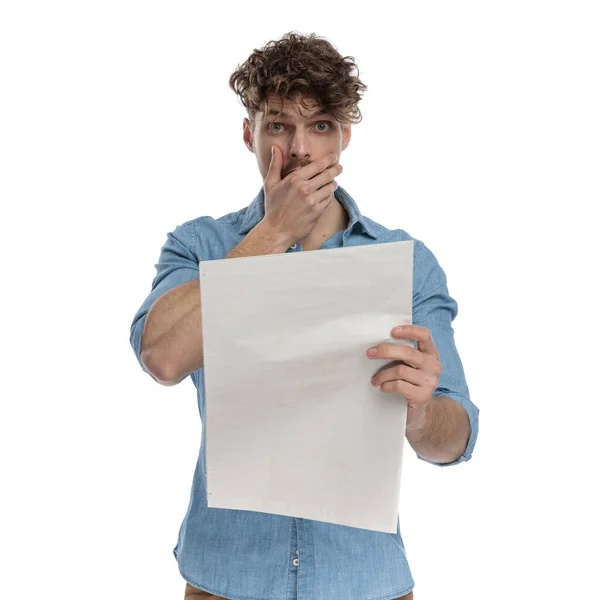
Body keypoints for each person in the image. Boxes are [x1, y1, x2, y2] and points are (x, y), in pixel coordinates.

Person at [129, 31, 479, 600]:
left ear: (344, 137)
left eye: (319, 126)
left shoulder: (406, 264)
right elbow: (163, 358)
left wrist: (416, 415)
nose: (299, 149)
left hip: (366, 582)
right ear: (249, 134)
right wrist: (273, 234)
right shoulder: (200, 246)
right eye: (278, 125)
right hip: (226, 579)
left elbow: (456, 437)